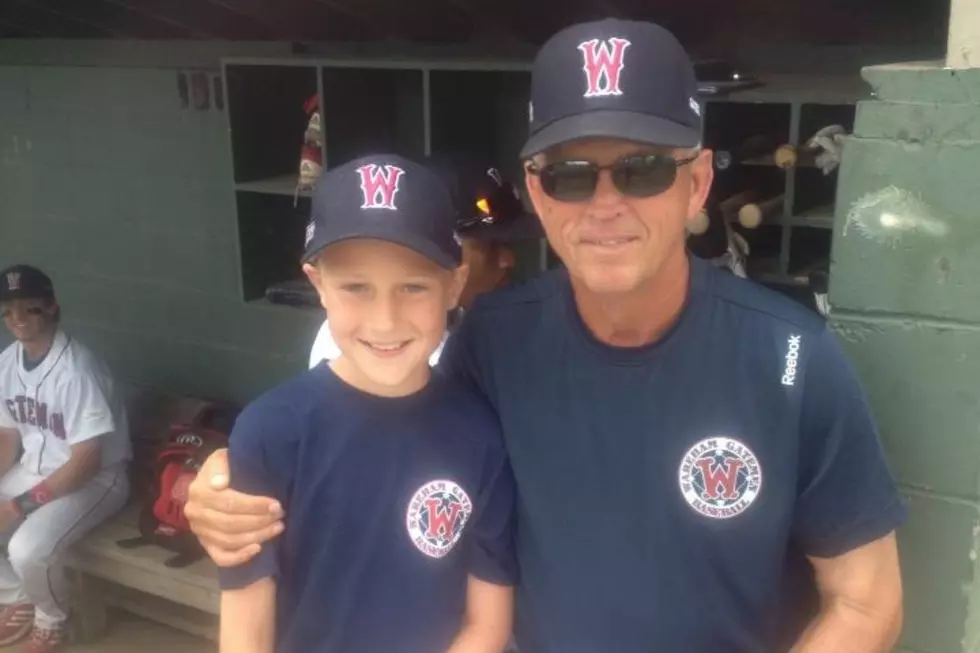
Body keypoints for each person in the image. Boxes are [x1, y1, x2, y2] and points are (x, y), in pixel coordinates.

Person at [185, 19, 906, 653]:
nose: (605, 204)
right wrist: (228, 479)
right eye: (569, 176)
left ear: (696, 185)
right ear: (536, 193)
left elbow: (868, 602)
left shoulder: (788, 359)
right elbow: (371, 428)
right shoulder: (491, 344)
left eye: (643, 169)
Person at [219, 154, 516, 653]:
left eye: (413, 286)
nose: (384, 320)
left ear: (455, 285)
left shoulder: (480, 435)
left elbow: (487, 624)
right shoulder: (270, 431)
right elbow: (246, 620)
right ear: (317, 284)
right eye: (356, 287)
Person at [0, 265, 130, 653]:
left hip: (96, 481)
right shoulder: (8, 362)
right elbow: (7, 435)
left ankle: (52, 620)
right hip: (39, 470)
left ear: (52, 307)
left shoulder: (76, 368)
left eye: (29, 308)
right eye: (8, 310)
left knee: (27, 548)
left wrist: (18, 506)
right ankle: (18, 596)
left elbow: (87, 459)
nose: (17, 318)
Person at [308, 153, 542, 369]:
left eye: (509, 245)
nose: (507, 260)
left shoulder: (470, 321)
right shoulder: (386, 347)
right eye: (490, 246)